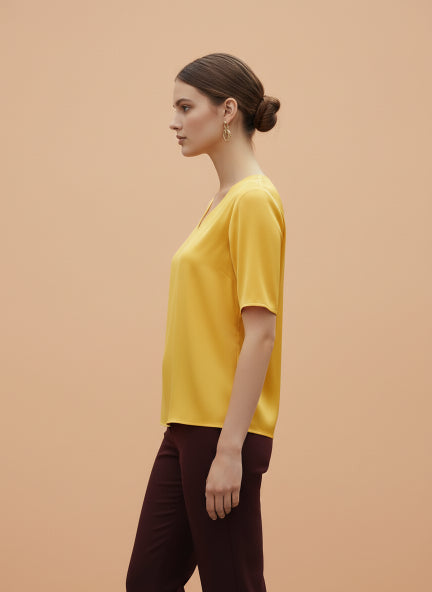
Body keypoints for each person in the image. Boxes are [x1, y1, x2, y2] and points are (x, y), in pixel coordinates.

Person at [126, 52, 286, 592]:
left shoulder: (253, 201)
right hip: (187, 425)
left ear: (228, 110)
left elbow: (260, 332)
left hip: (221, 430)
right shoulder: (222, 202)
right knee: (147, 582)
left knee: (232, 583)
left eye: (185, 107)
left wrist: (230, 450)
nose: (174, 122)